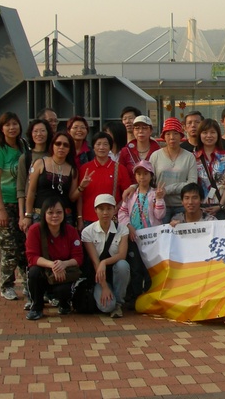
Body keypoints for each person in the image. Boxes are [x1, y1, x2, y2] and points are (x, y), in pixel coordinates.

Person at [24, 197, 84, 320]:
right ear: (44, 214)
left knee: (64, 290)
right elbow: (32, 257)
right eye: (50, 212)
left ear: (64, 213)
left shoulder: (71, 231)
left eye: (59, 212)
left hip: (63, 273)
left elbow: (78, 258)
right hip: (44, 271)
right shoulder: (35, 230)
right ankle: (37, 307)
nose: (55, 216)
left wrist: (64, 264)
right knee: (34, 272)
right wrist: (53, 265)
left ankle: (64, 304)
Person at [0, 111, 28, 302]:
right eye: (7, 125)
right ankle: (7, 286)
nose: (12, 128)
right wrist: (1, 209)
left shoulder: (23, 147)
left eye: (15, 124)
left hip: (20, 204)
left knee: (23, 248)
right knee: (9, 248)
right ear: (1, 129)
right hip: (3, 204)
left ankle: (29, 286)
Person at [117, 160, 165, 309]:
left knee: (149, 268)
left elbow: (160, 215)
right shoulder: (131, 194)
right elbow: (122, 213)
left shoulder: (154, 193)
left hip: (151, 239)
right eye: (138, 174)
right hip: (134, 237)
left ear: (151, 176)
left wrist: (159, 199)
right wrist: (129, 226)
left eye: (145, 174)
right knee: (135, 268)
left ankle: (150, 297)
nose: (142, 177)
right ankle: (136, 298)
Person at [81, 194, 130, 318]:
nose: (105, 212)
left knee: (123, 265)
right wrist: (104, 287)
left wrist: (104, 262)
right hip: (98, 276)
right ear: (95, 210)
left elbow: (122, 255)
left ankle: (118, 303)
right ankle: (104, 294)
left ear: (115, 210)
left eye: (109, 208)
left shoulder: (123, 229)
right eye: (101, 209)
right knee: (107, 306)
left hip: (115, 271)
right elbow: (95, 261)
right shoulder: (87, 232)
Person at [23, 131, 80, 228]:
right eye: (58, 143)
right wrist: (28, 215)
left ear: (70, 149)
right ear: (52, 145)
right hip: (40, 214)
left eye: (66, 145)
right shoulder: (40, 163)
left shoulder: (73, 170)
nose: (61, 147)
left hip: (63, 216)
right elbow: (31, 191)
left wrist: (82, 186)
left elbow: (72, 197)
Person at [77, 131, 132, 228]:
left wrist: (117, 207)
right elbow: (79, 197)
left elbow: (127, 195)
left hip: (112, 219)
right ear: (93, 147)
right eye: (98, 144)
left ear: (110, 147)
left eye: (105, 144)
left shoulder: (120, 169)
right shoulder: (84, 169)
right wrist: (79, 218)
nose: (101, 147)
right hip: (88, 219)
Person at [150, 118, 197, 223]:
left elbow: (192, 183)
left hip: (183, 205)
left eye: (175, 133)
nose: (172, 137)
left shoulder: (189, 157)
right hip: (160, 205)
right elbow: (150, 180)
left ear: (181, 136)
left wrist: (167, 189)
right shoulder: (155, 156)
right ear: (163, 137)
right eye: (168, 134)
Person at [194, 118, 225, 218]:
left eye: (212, 132)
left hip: (221, 206)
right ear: (200, 135)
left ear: (218, 135)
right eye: (205, 132)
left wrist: (220, 205)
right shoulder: (193, 157)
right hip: (200, 207)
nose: (209, 136)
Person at [17, 118, 51, 227]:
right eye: (35, 131)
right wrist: (23, 216)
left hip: (51, 207)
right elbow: (21, 188)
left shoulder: (53, 156)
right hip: (31, 209)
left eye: (42, 130)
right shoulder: (25, 157)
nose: (39, 134)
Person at [119, 115, 161, 179]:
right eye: (137, 128)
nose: (140, 131)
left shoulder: (158, 151)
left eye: (144, 128)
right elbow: (121, 174)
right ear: (133, 131)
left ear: (151, 131)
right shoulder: (126, 151)